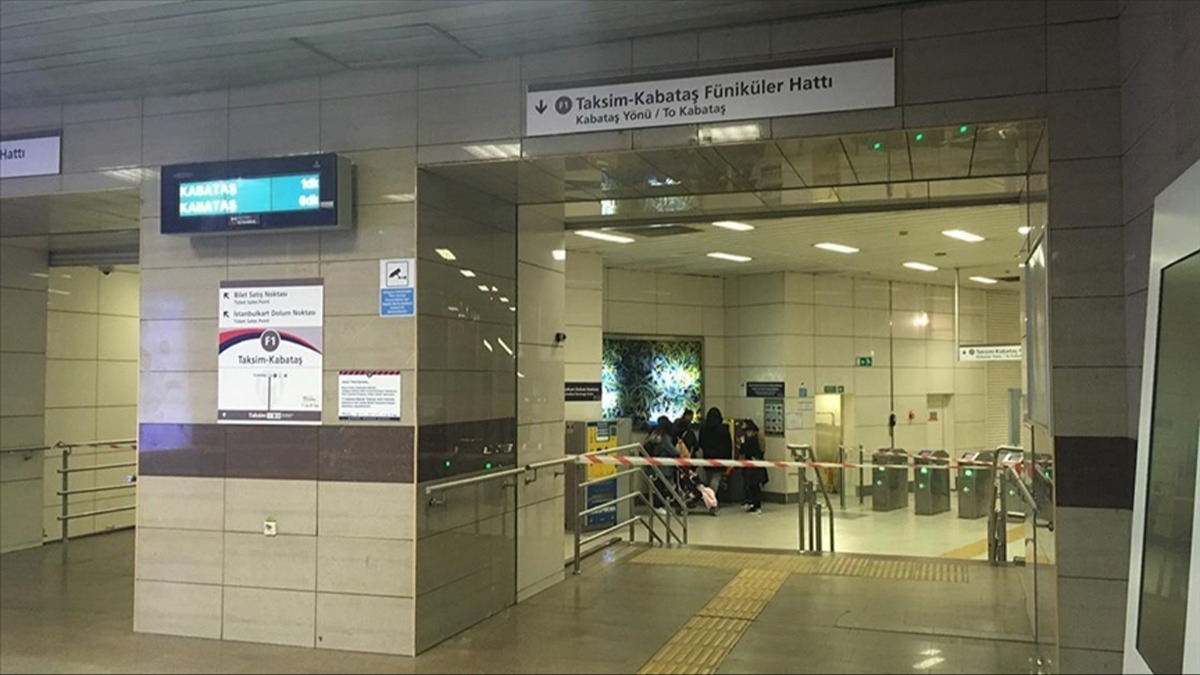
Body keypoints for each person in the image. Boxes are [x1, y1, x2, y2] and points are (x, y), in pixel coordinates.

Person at [698, 407, 732, 495]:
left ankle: (707, 496)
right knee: (716, 478)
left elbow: (701, 442)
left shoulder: (704, 428)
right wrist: (729, 460)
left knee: (708, 478)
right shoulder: (723, 429)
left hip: (708, 456)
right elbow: (728, 445)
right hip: (720, 457)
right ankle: (711, 497)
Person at [740, 419, 767, 514]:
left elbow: (746, 450)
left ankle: (757, 505)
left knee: (754, 486)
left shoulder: (754, 438)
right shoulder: (750, 437)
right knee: (751, 485)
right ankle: (753, 503)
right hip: (751, 464)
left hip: (754, 465)